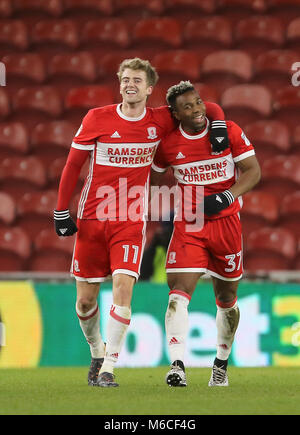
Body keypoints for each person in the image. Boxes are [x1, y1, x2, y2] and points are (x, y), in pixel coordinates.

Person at [53, 58, 229, 388]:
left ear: (149, 89)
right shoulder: (97, 118)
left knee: (123, 290)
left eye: (137, 79)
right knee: (85, 302)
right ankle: (96, 350)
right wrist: (61, 211)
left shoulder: (160, 120)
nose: (129, 84)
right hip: (93, 218)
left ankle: (108, 368)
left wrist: (217, 125)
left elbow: (207, 105)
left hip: (131, 220)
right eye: (124, 79)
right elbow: (72, 165)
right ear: (119, 85)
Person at [151, 81, 261, 387]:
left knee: (226, 298)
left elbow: (253, 172)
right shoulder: (169, 144)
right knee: (177, 296)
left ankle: (220, 365)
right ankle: (176, 365)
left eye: (198, 103)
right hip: (190, 224)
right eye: (188, 107)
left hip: (227, 224)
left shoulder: (227, 130)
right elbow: (155, 175)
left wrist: (227, 196)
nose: (197, 110)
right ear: (176, 113)